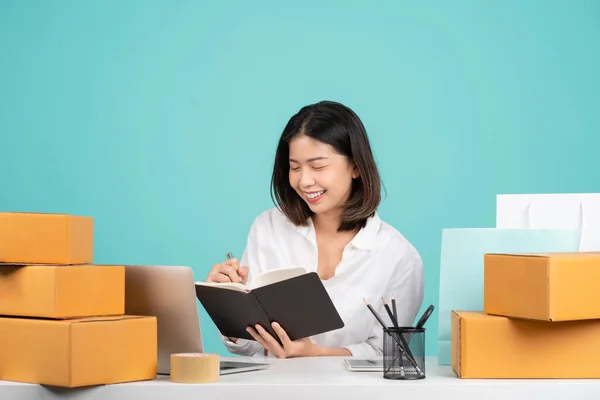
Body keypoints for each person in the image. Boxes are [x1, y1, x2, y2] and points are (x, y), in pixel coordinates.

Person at [206, 100, 424, 359]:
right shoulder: (268, 228)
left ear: (355, 165)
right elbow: (251, 346)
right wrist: (227, 304)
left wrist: (315, 353)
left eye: (318, 166)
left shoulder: (398, 255)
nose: (304, 180)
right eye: (295, 167)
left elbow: (388, 354)